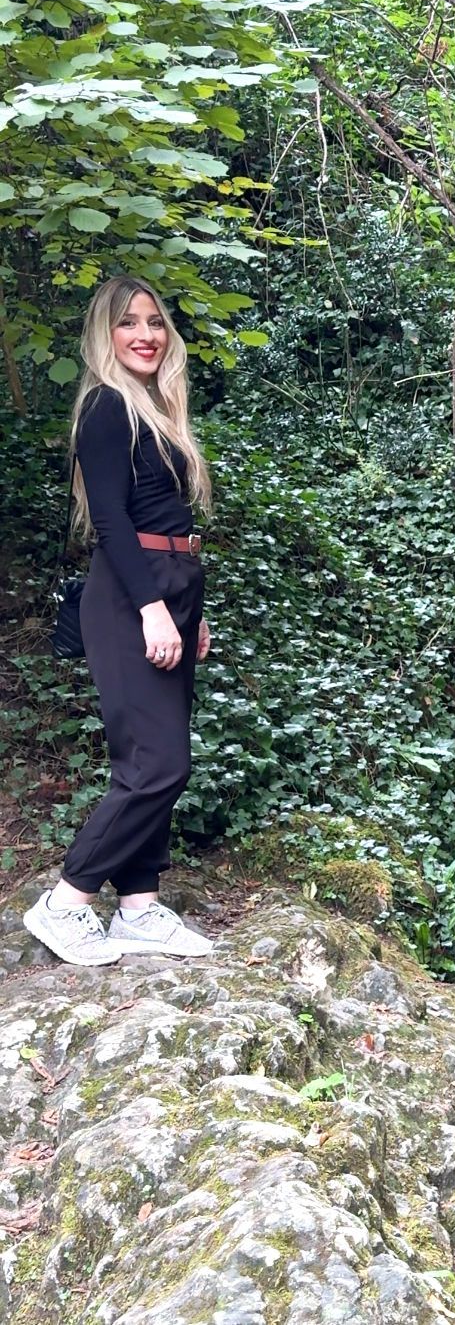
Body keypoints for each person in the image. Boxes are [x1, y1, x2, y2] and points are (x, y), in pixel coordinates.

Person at [23, 277, 216, 966]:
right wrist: (154, 608)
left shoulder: (157, 410)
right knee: (159, 764)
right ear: (104, 336)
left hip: (172, 583)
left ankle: (137, 905)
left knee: (151, 757)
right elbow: (111, 522)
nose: (145, 334)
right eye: (128, 323)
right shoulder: (107, 407)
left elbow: (170, 523)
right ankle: (67, 900)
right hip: (131, 592)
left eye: (155, 322)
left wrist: (188, 611)